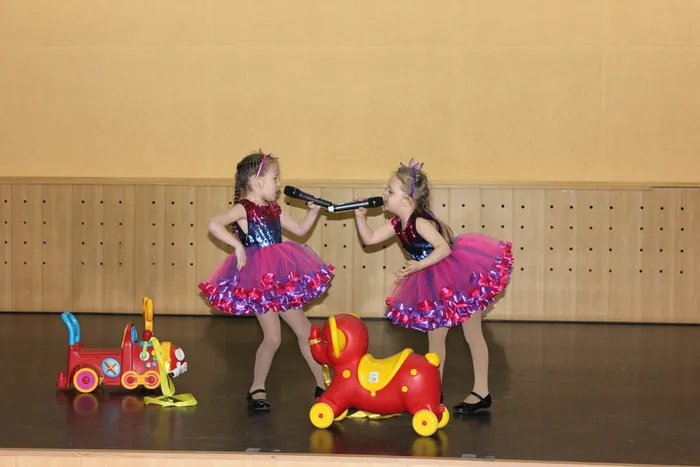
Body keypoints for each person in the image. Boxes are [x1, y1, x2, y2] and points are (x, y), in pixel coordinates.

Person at [353, 158, 513, 414]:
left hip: (459, 278)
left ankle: (481, 391)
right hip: (433, 282)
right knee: (436, 339)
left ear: (407, 202)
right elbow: (370, 239)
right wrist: (360, 217)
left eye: (390, 191)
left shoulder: (419, 222)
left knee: (472, 334)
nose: (385, 194)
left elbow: (444, 248)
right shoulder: (398, 224)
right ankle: (433, 391)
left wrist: (418, 265)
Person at [198, 150, 332, 412]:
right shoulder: (244, 209)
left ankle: (323, 384)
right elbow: (214, 224)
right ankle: (256, 388)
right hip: (259, 281)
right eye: (275, 178)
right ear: (258, 182)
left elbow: (301, 230)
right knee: (272, 338)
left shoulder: (273, 209)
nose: (279, 184)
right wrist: (237, 245)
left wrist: (314, 212)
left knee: (305, 332)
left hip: (279, 279)